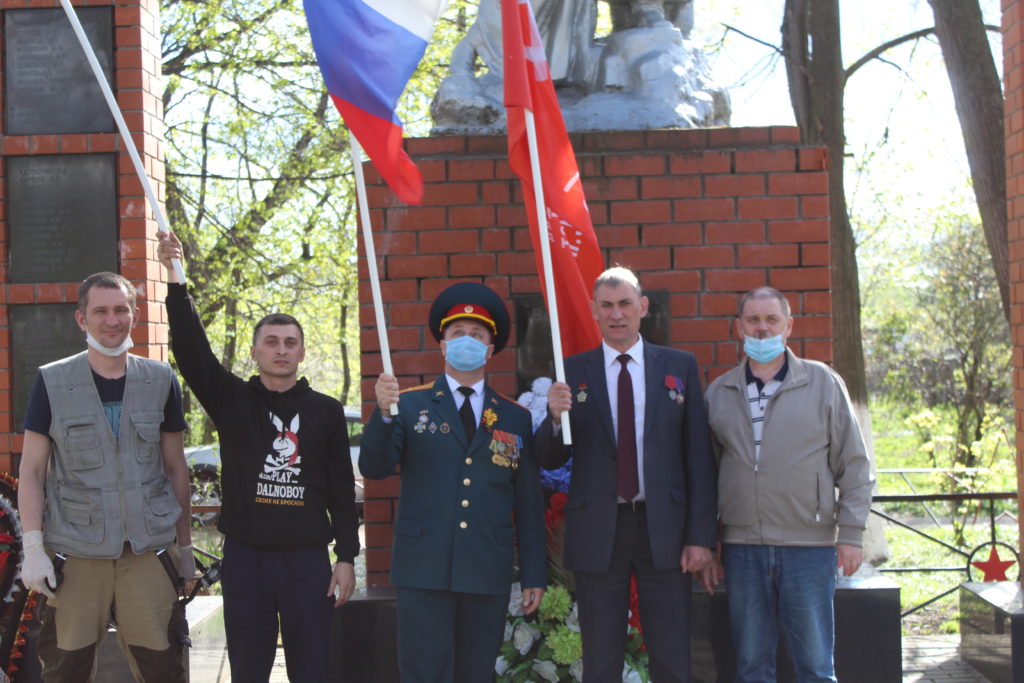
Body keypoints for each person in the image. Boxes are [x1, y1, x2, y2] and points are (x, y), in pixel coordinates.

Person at [157, 231, 359, 682]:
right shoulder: (233, 400)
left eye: (290, 342)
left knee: (314, 669)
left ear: (302, 352)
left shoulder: (325, 412)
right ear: (255, 351)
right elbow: (192, 353)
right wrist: (176, 281)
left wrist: (346, 557)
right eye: (272, 342)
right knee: (248, 670)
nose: (281, 350)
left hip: (309, 561)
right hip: (247, 560)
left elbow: (343, 493)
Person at [537, 265, 718, 683]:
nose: (616, 314)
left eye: (624, 304)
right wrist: (552, 418)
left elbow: (698, 459)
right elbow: (548, 458)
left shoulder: (679, 366)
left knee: (672, 652)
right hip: (600, 528)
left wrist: (700, 537)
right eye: (607, 306)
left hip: (666, 529)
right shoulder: (572, 371)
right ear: (594, 311)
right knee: (600, 656)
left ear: (643, 307)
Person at [360, 282, 546, 683]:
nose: (467, 341)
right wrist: (383, 413)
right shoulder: (409, 405)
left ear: (490, 349)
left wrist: (533, 574)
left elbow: (528, 502)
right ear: (442, 346)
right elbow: (374, 468)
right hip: (423, 569)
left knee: (476, 674)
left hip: (485, 569)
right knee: (424, 673)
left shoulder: (514, 417)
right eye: (457, 334)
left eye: (477, 335)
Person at [18, 271, 193, 682]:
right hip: (76, 555)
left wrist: (185, 548)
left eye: (121, 310)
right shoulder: (52, 380)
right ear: (82, 319)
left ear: (134, 314)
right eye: (101, 311)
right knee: (66, 669)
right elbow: (32, 470)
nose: (112, 320)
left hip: (147, 553)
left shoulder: (161, 379)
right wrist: (32, 545)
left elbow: (175, 468)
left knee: (163, 668)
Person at [703, 286, 873, 683]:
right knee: (751, 667)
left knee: (815, 667)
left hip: (808, 549)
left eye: (771, 320)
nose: (762, 329)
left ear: (788, 326)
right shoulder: (719, 393)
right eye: (753, 320)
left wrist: (850, 533)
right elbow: (706, 475)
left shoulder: (823, 383)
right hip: (743, 551)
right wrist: (709, 541)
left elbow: (854, 463)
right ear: (739, 327)